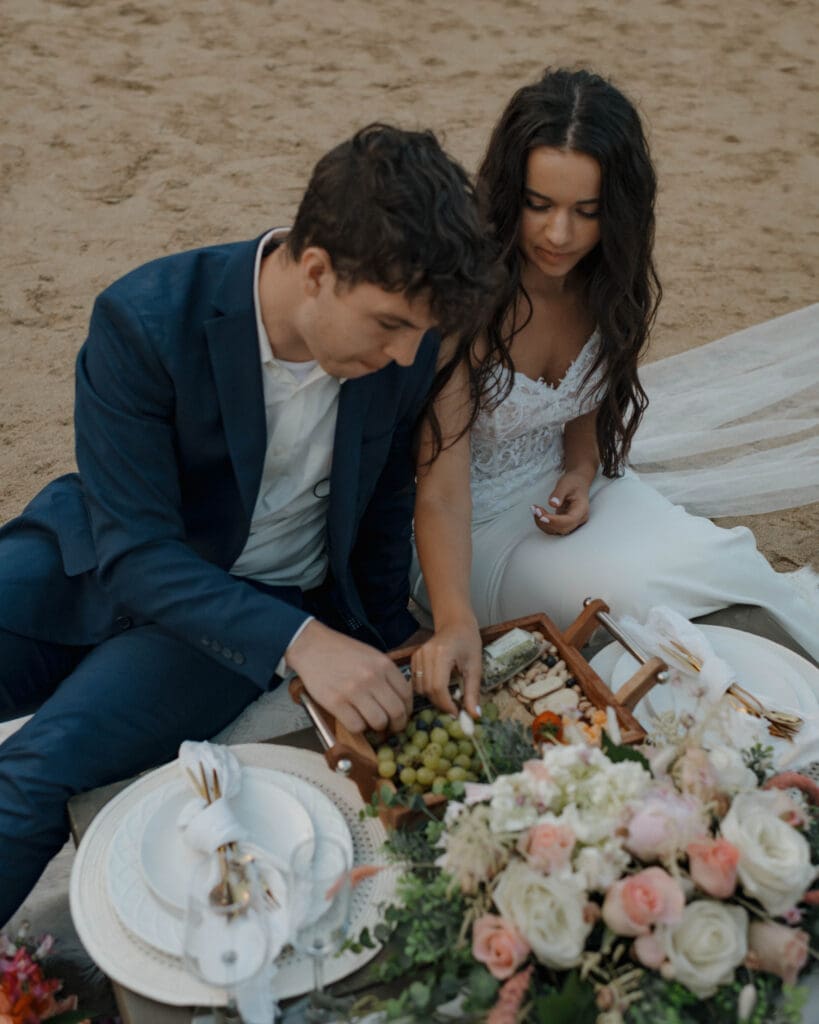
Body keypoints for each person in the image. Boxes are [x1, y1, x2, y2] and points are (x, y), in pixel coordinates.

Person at [0, 123, 497, 924]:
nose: (407, 358)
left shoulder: (399, 357)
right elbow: (134, 550)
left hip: (238, 619)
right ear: (315, 271)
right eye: (389, 327)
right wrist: (310, 645)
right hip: (94, 553)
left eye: (417, 333)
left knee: (31, 773)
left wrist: (376, 639)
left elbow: (381, 517)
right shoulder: (143, 319)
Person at [410, 68, 819, 681]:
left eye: (587, 211)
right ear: (508, 192)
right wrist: (453, 621)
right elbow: (440, 492)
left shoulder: (604, 282)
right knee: (633, 602)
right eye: (538, 204)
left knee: (723, 558)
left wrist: (579, 469)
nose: (559, 234)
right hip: (468, 533)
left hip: (569, 494)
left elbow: (584, 406)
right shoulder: (465, 300)